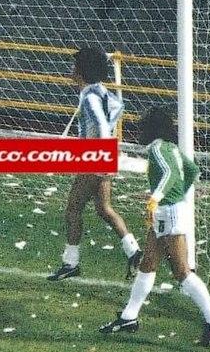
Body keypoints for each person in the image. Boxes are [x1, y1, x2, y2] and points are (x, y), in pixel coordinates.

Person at [100, 107, 210, 347]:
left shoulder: (158, 149)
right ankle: (129, 317)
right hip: (168, 211)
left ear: (151, 129)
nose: (139, 132)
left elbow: (169, 173)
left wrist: (157, 197)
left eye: (142, 127)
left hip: (168, 212)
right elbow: (192, 171)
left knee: (182, 272)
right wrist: (177, 193)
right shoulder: (172, 148)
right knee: (148, 264)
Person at [48, 49, 141, 282]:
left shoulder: (89, 97)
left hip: (95, 158)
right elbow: (118, 106)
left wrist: (94, 148)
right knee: (104, 209)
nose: (72, 71)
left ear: (81, 71)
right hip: (106, 156)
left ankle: (70, 262)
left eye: (75, 66)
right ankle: (134, 251)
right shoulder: (100, 91)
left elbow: (99, 125)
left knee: (73, 209)